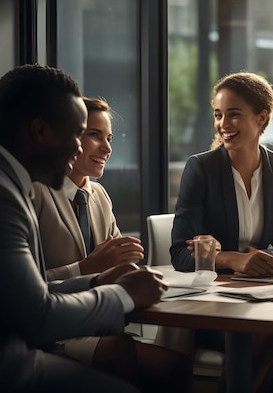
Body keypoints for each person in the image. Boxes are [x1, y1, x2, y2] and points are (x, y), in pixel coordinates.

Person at [0, 64, 168, 393]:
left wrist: (96, 280)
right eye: (77, 134)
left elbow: (24, 295)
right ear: (40, 131)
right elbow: (36, 317)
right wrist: (123, 294)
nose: (80, 148)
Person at [32, 96, 190, 392]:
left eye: (109, 138)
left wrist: (128, 268)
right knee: (118, 349)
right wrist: (86, 268)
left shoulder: (99, 195)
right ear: (69, 137)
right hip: (56, 328)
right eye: (95, 135)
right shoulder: (37, 193)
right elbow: (27, 287)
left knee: (176, 366)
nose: (107, 148)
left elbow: (118, 266)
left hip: (100, 322)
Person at [170, 71, 273, 392]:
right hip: (213, 307)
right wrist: (232, 260)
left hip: (266, 298)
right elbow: (179, 254)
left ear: (261, 117)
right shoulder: (201, 168)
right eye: (218, 115)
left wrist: (266, 259)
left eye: (234, 114)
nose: (223, 123)